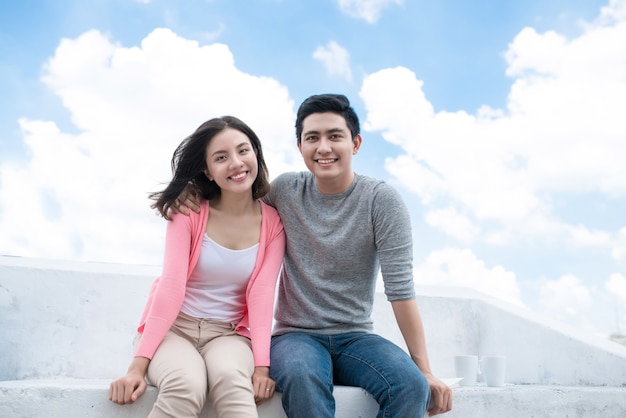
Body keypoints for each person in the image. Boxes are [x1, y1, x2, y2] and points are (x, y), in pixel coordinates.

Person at [176, 94, 453, 417]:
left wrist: (426, 370)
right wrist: (193, 193)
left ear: (356, 143)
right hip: (295, 337)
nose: (323, 148)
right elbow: (238, 199)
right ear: (300, 147)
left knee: (410, 386)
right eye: (312, 138)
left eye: (335, 136)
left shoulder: (381, 201)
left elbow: (401, 290)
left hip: (356, 337)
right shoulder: (285, 191)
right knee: (303, 377)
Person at [109, 116, 285, 418]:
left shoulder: (273, 224)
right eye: (221, 157)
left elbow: (262, 293)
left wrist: (261, 367)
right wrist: (137, 368)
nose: (236, 163)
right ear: (208, 170)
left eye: (243, 150)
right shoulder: (188, 211)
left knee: (233, 382)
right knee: (186, 385)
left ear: (256, 153)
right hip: (174, 329)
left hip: (229, 335)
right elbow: (171, 285)